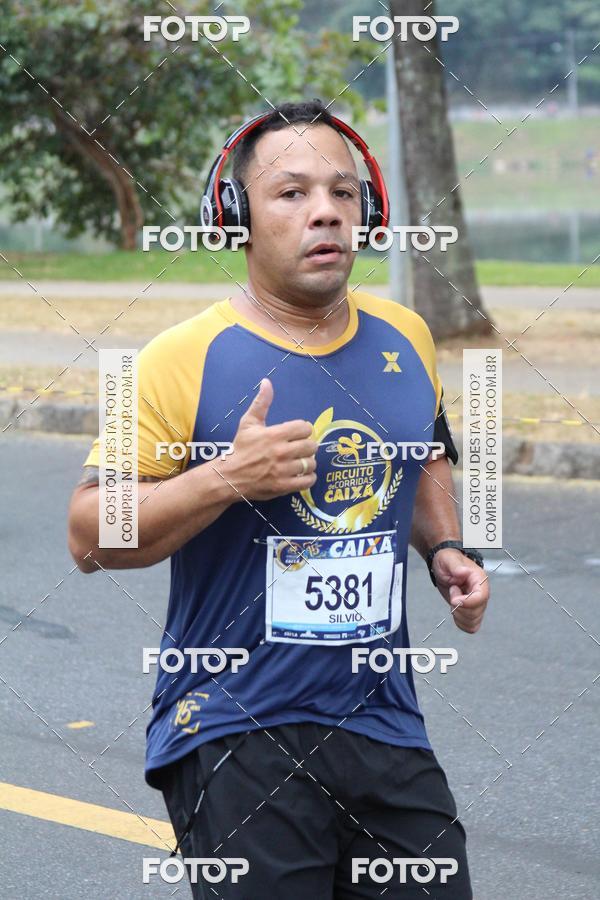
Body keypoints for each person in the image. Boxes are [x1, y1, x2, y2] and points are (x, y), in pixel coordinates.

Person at [68, 99, 489, 899]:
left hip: (383, 721)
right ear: (239, 217)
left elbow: (422, 450)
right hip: (234, 728)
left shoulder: (407, 335)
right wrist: (226, 477)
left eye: (343, 191)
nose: (325, 211)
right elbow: (88, 536)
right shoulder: (178, 359)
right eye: (291, 193)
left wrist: (444, 549)